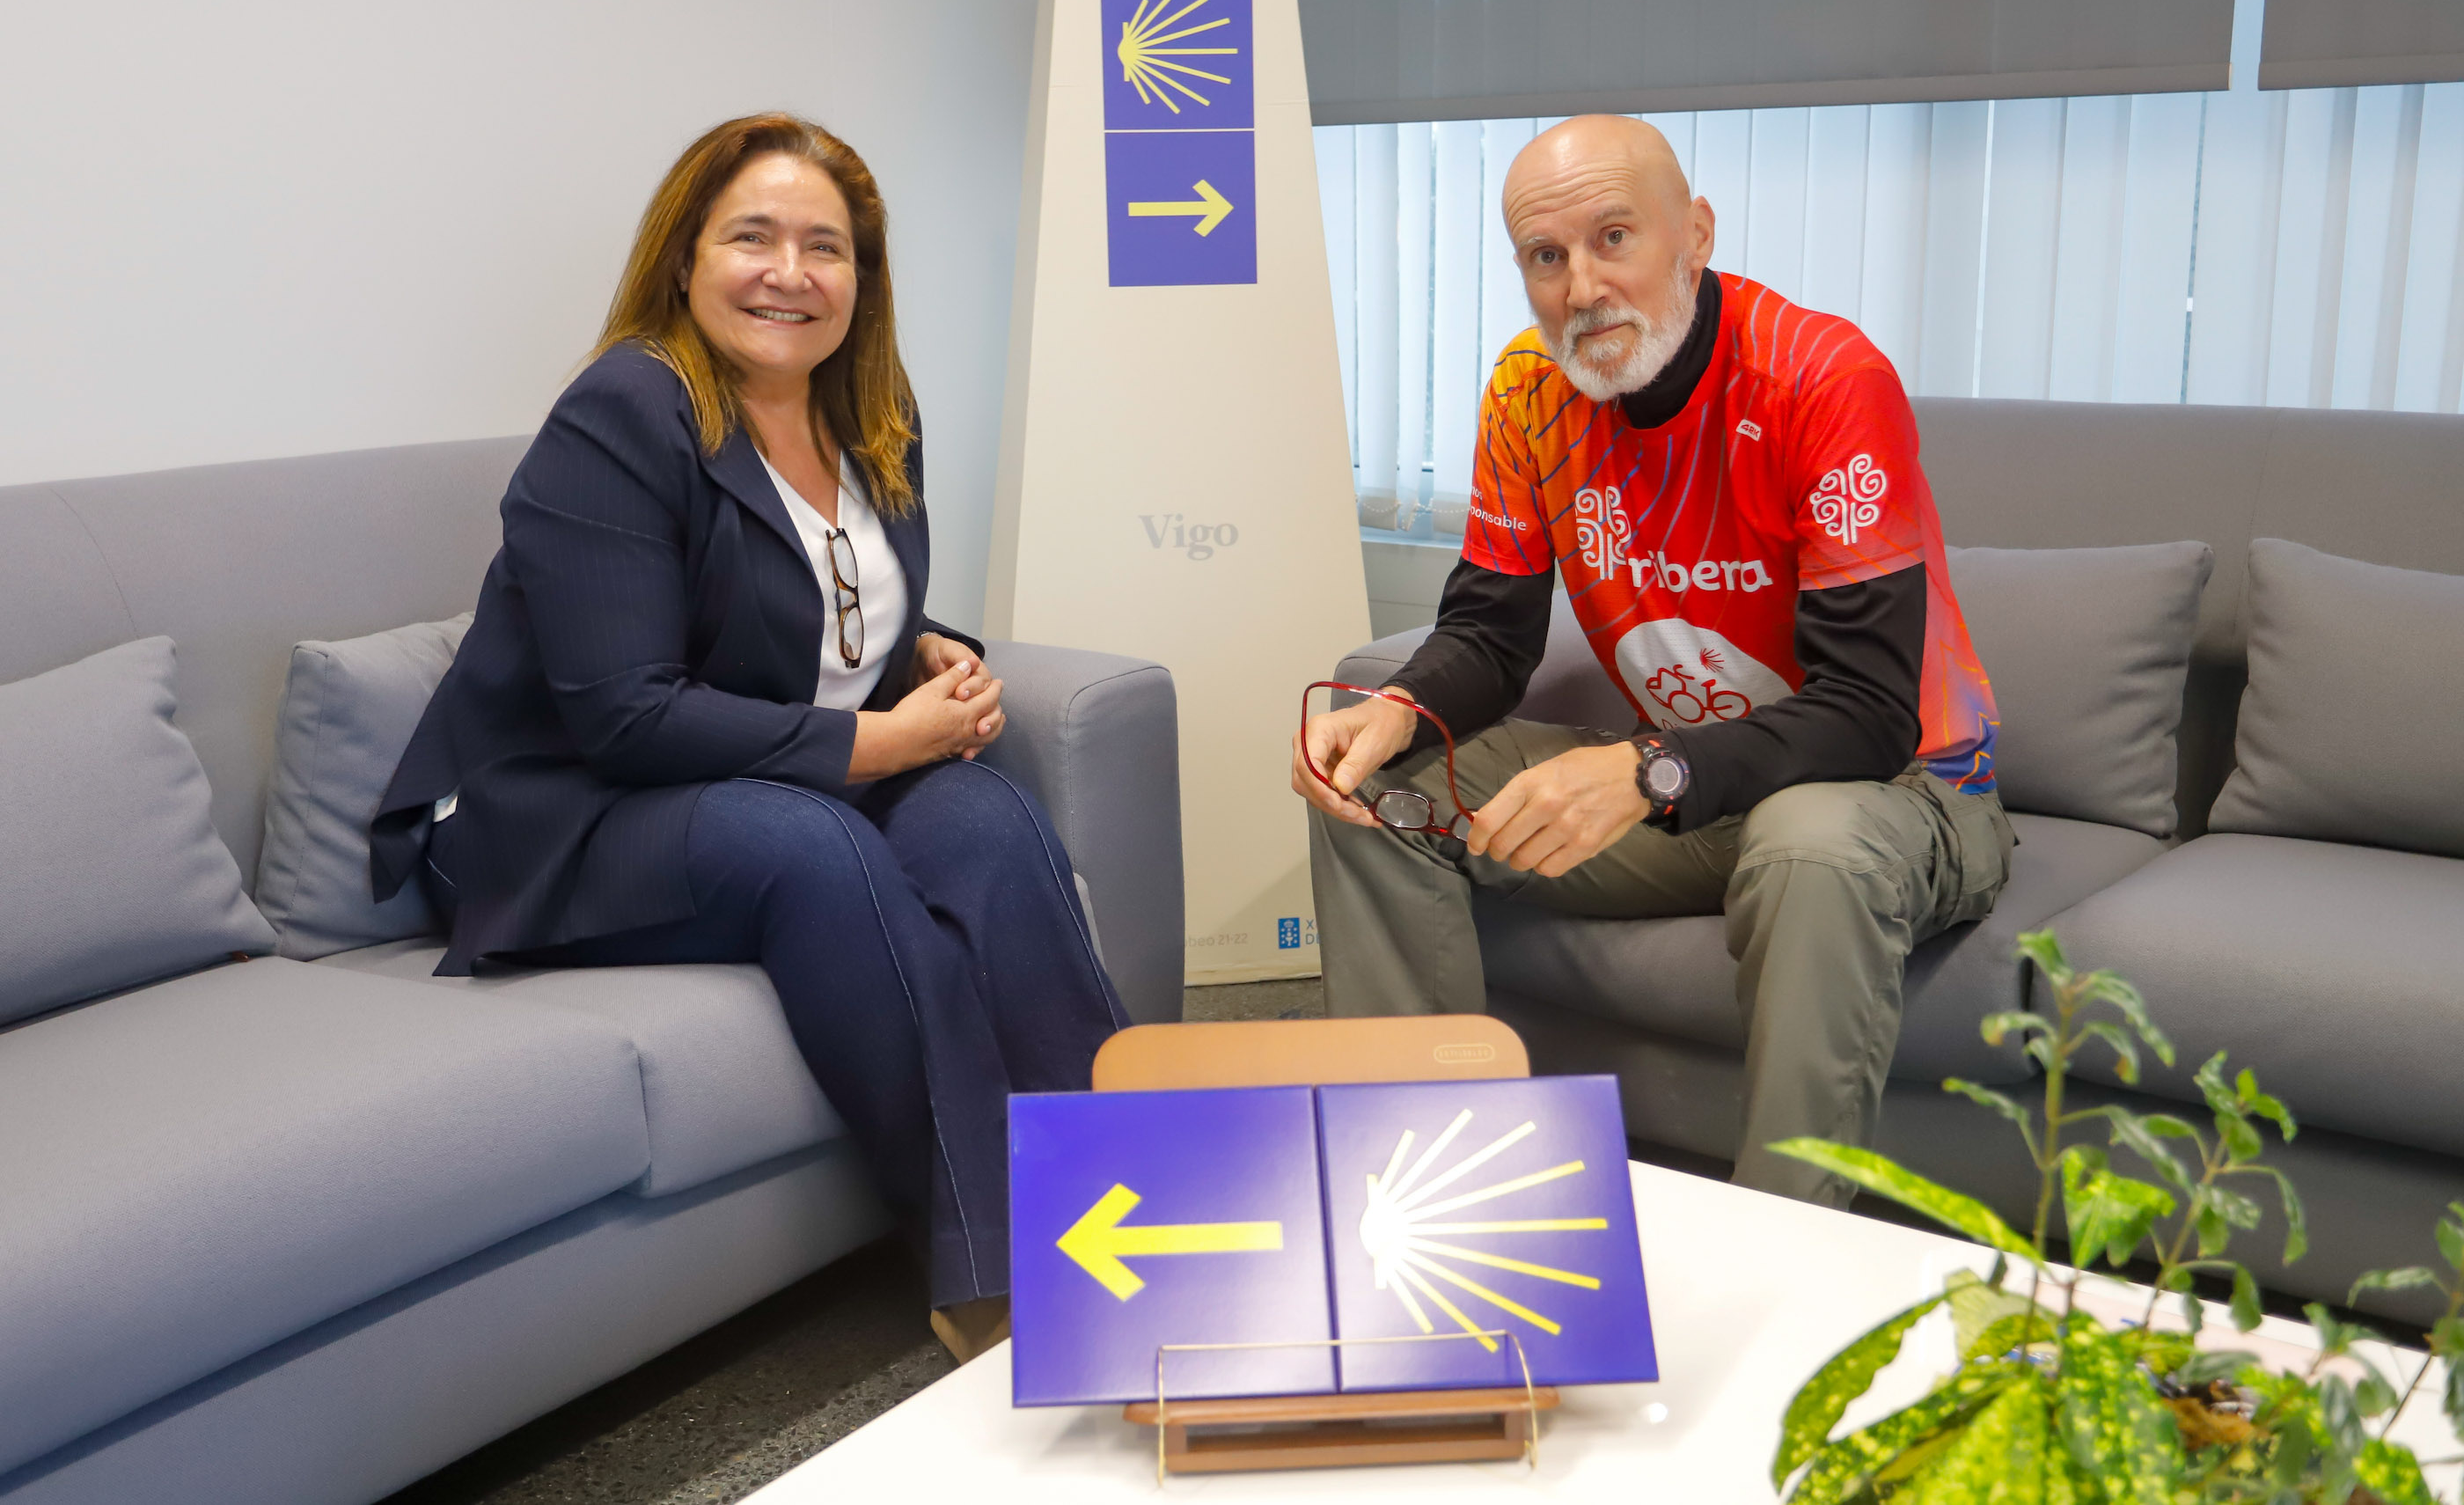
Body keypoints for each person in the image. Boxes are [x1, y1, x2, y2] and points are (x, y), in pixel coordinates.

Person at [372, 113, 1126, 1361]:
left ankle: (1144, 1192)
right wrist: (886, 743)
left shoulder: (870, 409)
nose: (791, 273)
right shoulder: (623, 410)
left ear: (861, 278)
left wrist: (921, 645)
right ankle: (998, 1274)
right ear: (686, 257)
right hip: (555, 809)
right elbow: (623, 710)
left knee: (988, 818)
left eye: (826, 247)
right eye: (752, 237)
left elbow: (799, 592)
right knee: (816, 848)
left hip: (738, 771)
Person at [1293, 114, 2012, 1208]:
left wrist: (1647, 771)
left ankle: (1781, 1252)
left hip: (1904, 791)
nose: (1582, 287)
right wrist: (1395, 707)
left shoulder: (1820, 377)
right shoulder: (1529, 390)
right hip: (1700, 793)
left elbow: (1869, 711)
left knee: (1808, 843)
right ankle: (1430, 1199)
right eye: (1546, 256)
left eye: (1614, 237)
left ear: (1696, 235)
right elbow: (1489, 634)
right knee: (1375, 786)